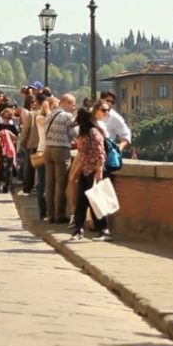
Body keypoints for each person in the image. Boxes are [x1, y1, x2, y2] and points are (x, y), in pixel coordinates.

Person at [69, 106, 113, 242]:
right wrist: (76, 172)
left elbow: (101, 153)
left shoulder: (93, 132)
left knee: (96, 202)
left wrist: (99, 171)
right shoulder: (83, 133)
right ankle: (78, 229)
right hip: (85, 170)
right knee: (81, 201)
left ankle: (104, 230)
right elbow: (82, 154)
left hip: (95, 171)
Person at [44, 93, 77, 224]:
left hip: (48, 150)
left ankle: (50, 214)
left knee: (50, 183)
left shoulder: (50, 114)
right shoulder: (67, 116)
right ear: (65, 103)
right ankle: (60, 214)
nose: (74, 107)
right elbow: (76, 134)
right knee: (61, 183)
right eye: (72, 104)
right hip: (61, 150)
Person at [36, 97, 59, 220]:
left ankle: (53, 210)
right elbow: (50, 123)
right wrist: (47, 109)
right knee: (43, 183)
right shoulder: (40, 118)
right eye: (54, 107)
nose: (57, 110)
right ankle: (43, 212)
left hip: (53, 151)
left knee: (54, 182)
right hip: (43, 151)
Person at [0, 108, 19, 193]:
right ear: (2, 117)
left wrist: (10, 134)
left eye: (9, 118)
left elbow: (16, 138)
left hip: (10, 149)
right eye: (5, 117)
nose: (7, 119)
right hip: (0, 149)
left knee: (9, 168)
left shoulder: (13, 127)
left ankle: (7, 186)